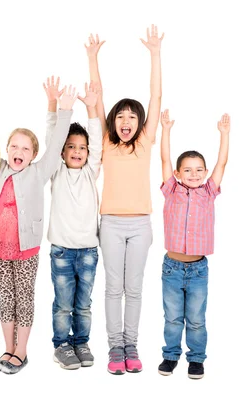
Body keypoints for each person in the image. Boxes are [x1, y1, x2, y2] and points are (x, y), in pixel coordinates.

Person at [87, 26, 164, 374]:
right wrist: (92, 58)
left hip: (141, 224)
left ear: (140, 122)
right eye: (120, 116)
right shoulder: (106, 142)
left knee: (134, 288)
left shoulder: (146, 142)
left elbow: (156, 96)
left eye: (132, 116)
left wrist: (155, 53)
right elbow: (98, 97)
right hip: (112, 225)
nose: (126, 121)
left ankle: (131, 344)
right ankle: (115, 348)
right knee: (112, 288)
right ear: (113, 122)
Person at [0, 85, 76, 374]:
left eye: (26, 148)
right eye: (14, 146)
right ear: (6, 149)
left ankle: (21, 351)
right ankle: (8, 348)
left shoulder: (39, 171)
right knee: (6, 298)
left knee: (24, 296)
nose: (19, 151)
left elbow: (55, 146)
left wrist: (63, 110)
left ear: (33, 155)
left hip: (25, 250)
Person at [157, 110, 229, 380]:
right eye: (187, 169)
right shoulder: (172, 189)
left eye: (199, 170)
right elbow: (164, 158)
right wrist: (166, 130)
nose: (194, 174)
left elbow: (222, 164)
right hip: (171, 268)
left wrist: (224, 135)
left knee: (197, 319)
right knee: (173, 317)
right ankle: (170, 355)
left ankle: (196, 359)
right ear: (178, 173)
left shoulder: (208, 192)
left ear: (205, 173)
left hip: (198, 269)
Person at [44, 78, 102, 370]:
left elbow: (97, 138)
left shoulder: (92, 172)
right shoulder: (56, 172)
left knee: (84, 304)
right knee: (63, 303)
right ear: (63, 152)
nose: (77, 151)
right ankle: (61, 345)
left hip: (89, 251)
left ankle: (81, 342)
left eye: (82, 147)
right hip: (63, 252)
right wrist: (53, 106)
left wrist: (92, 109)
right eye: (70, 147)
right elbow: (50, 140)